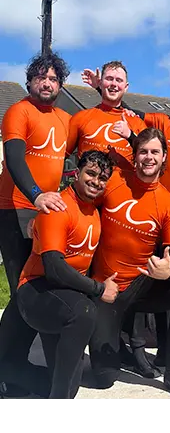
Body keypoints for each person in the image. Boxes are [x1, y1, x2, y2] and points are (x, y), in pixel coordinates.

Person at [82, 70, 170, 362]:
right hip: (152, 209)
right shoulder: (162, 121)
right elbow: (130, 114)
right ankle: (132, 343)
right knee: (141, 267)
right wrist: (104, 88)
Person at [86, 128, 170, 399]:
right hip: (105, 290)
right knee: (103, 380)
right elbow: (82, 203)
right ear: (134, 155)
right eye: (143, 151)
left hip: (140, 286)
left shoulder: (168, 204)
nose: (148, 157)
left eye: (154, 152)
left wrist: (169, 271)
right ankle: (117, 345)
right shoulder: (113, 181)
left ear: (164, 157)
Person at [0, 151, 117, 400]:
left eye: (103, 178)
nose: (96, 181)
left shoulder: (93, 212)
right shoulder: (58, 207)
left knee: (69, 385)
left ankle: (10, 370)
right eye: (91, 174)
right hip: (36, 290)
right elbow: (53, 267)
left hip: (63, 297)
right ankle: (58, 405)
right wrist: (97, 289)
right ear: (77, 173)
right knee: (84, 312)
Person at [0, 51, 72, 398]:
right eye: (41, 77)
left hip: (43, 212)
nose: (47, 83)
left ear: (61, 84)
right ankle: (7, 370)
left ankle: (13, 363)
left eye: (54, 78)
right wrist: (36, 194)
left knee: (33, 291)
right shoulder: (19, 111)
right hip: (14, 209)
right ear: (30, 81)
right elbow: (14, 158)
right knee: (22, 293)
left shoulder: (64, 118)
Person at [66, 61, 147, 170]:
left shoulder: (137, 122)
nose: (113, 84)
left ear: (126, 87)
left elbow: (149, 159)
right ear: (100, 83)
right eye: (109, 79)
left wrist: (130, 136)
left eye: (119, 80)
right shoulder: (80, 118)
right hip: (89, 186)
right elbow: (60, 157)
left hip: (126, 186)